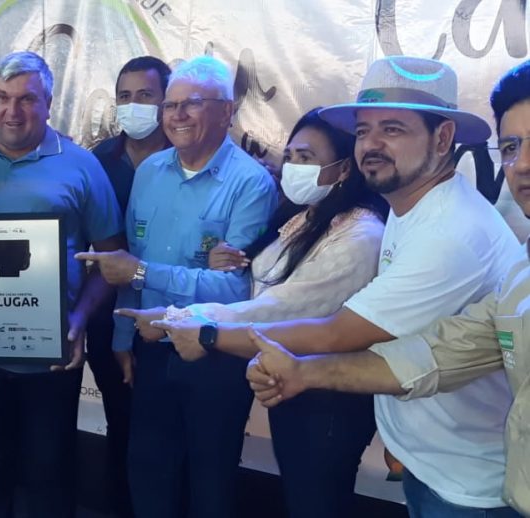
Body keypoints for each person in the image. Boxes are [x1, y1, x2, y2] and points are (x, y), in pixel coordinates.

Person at [152, 56, 522, 517]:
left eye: (393, 129)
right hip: (434, 461)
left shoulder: (449, 233)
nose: (372, 145)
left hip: (470, 482)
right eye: (364, 131)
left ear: (443, 138)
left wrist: (209, 335)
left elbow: (335, 333)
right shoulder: (411, 205)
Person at [121, 107, 387, 518]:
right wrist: (229, 263)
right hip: (287, 380)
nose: (293, 167)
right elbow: (260, 286)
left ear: (344, 168)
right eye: (291, 156)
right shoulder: (307, 218)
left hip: (328, 398)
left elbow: (279, 308)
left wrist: (178, 319)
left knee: (315, 502)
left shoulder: (361, 235)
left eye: (307, 158)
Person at [0, 50, 124, 518]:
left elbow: (111, 259)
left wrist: (78, 319)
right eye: (2, 97)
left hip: (52, 354)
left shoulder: (81, 166)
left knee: (50, 478)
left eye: (27, 99)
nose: (12, 110)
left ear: (48, 103)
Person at [77, 55, 278, 517]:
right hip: (149, 349)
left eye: (193, 104)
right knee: (149, 471)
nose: (178, 115)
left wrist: (142, 274)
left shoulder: (250, 184)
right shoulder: (150, 172)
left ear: (226, 112)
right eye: (170, 105)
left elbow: (236, 291)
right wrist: (123, 338)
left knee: (209, 480)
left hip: (214, 352)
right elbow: (131, 260)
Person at [87, 55, 171, 518]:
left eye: (145, 95)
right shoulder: (98, 160)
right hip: (107, 317)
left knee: (164, 437)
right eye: (124, 96)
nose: (133, 105)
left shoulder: (188, 157)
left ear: (166, 101)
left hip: (170, 317)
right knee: (121, 424)